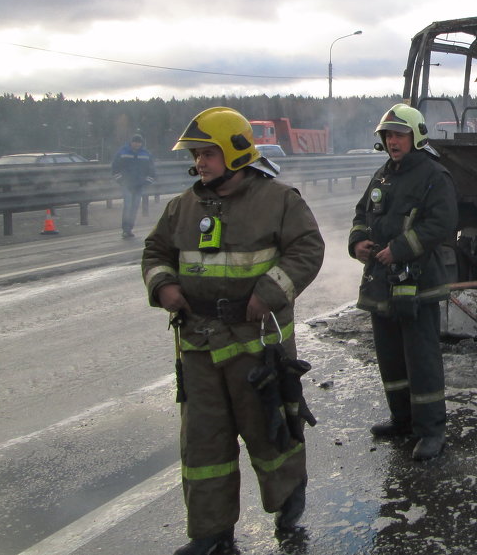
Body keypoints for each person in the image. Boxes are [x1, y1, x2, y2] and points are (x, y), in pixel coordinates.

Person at [142, 107, 325, 555]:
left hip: (255, 345)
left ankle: (287, 499)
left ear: (236, 154)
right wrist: (163, 285)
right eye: (197, 155)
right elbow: (155, 252)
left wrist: (269, 291)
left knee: (267, 430)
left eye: (208, 153)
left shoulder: (279, 200)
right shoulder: (182, 206)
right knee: (204, 444)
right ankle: (211, 533)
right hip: (198, 346)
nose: (200, 162)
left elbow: (307, 249)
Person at [349, 103, 458, 461]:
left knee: (421, 358)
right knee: (390, 357)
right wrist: (358, 242)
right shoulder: (383, 174)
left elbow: (442, 224)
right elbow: (362, 212)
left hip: (418, 283)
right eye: (388, 135)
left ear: (416, 136)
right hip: (381, 283)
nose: (392, 141)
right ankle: (402, 420)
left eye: (398, 134)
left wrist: (399, 249)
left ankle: (431, 431)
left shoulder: (433, 174)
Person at [111, 133, 157, 238]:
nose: (136, 144)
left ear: (141, 143)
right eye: (135, 142)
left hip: (139, 186)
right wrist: (121, 181)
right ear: (131, 142)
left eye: (139, 142)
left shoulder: (146, 154)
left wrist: (147, 182)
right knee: (128, 206)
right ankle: (125, 229)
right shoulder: (122, 152)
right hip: (126, 185)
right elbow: (115, 168)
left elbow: (152, 170)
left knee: (135, 207)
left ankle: (129, 228)